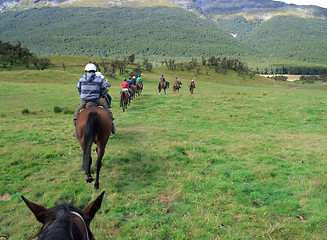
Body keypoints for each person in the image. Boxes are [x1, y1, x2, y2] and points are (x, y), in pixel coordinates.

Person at [73, 63, 115, 136]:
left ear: (86, 71)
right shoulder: (99, 79)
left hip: (84, 100)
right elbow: (103, 89)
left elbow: (79, 88)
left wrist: (83, 95)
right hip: (95, 100)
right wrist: (99, 96)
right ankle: (112, 127)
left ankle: (76, 131)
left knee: (76, 115)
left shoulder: (81, 78)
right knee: (108, 111)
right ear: (94, 71)